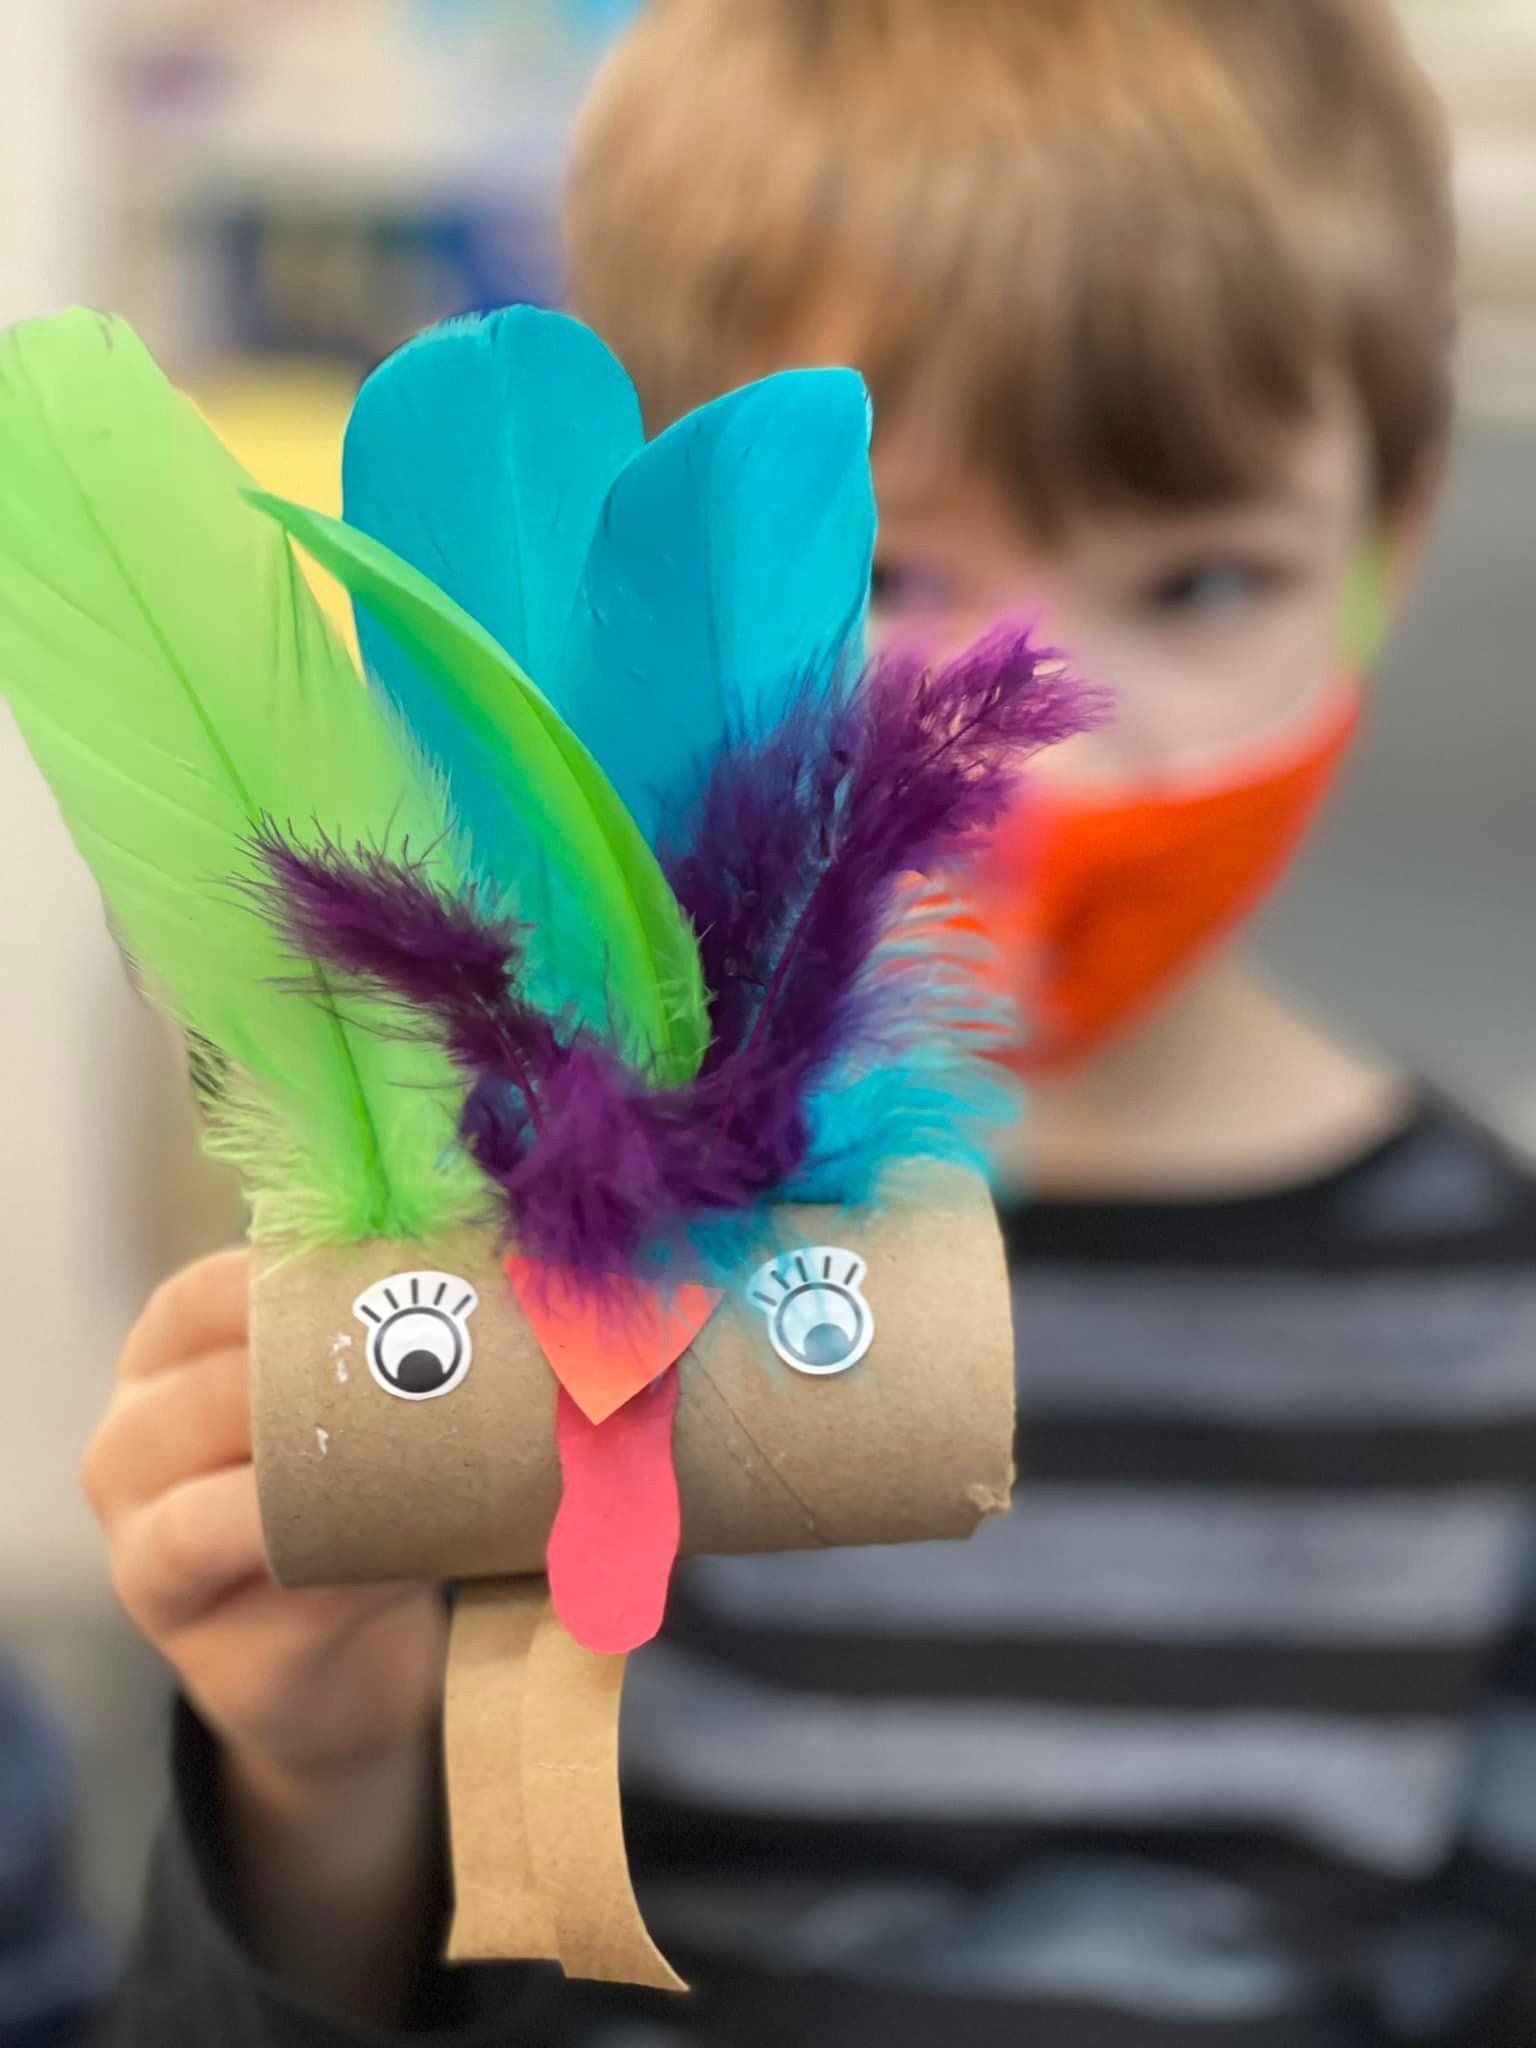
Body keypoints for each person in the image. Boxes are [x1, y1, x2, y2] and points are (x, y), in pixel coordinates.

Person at [78, 1, 1536, 2043]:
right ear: (652, 578)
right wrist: (320, 1774)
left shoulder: (1498, 1333)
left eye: (1203, 582)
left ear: (1386, 548)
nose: (1056, 744)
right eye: (885, 564)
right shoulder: (534, 1247)